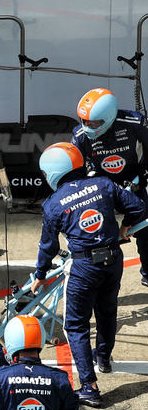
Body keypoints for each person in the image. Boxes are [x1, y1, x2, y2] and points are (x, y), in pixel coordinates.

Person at [32, 141, 146, 407]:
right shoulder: (104, 184)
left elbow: (48, 247)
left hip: (84, 267)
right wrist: (125, 227)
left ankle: (90, 387)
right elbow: (138, 207)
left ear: (51, 173)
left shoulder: (52, 204)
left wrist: (40, 274)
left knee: (75, 325)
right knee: (107, 312)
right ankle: (103, 358)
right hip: (114, 260)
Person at [69, 87, 148, 287]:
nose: (88, 125)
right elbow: (74, 172)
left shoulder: (135, 123)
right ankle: (97, 278)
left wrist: (141, 178)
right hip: (102, 190)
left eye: (94, 122)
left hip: (136, 183)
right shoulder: (79, 135)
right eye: (85, 121)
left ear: (110, 116)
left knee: (146, 231)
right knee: (94, 234)